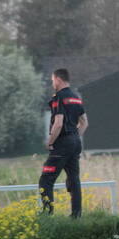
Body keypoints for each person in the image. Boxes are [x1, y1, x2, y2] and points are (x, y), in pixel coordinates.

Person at [39, 68, 88, 218]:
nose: (52, 83)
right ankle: (76, 215)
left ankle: (47, 215)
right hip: (75, 142)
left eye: (52, 80)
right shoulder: (75, 97)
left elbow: (58, 123)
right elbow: (85, 123)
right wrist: (73, 138)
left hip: (62, 144)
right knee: (74, 179)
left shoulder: (59, 97)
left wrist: (50, 142)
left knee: (46, 180)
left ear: (58, 80)